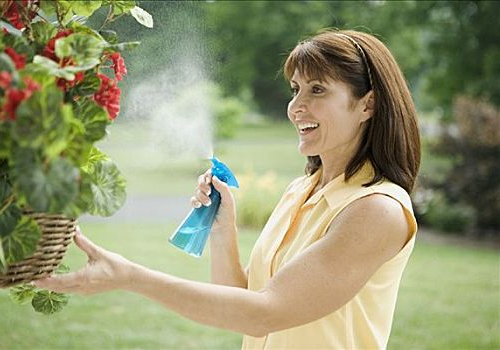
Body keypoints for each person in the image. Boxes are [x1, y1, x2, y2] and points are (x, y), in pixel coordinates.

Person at [35, 29, 421, 349]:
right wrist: (223, 229)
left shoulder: (377, 209)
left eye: (317, 90)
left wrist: (129, 277)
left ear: (368, 105)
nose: (295, 106)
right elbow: (245, 306)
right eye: (295, 88)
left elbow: (264, 312)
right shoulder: (301, 191)